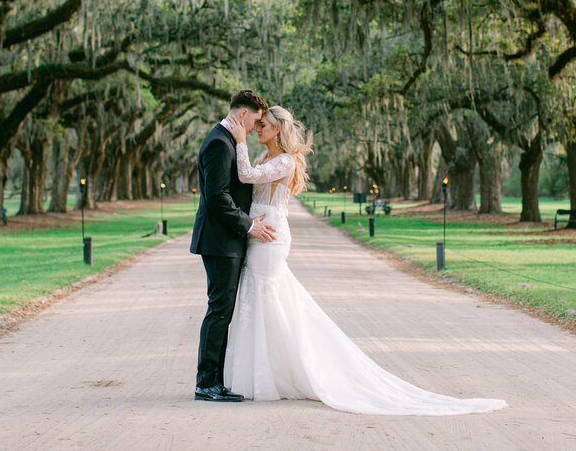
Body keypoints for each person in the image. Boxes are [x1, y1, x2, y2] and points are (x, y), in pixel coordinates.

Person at [223, 105, 506, 416]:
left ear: (277, 129)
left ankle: (277, 374)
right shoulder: (266, 157)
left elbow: (245, 175)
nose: (255, 128)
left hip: (272, 236)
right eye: (255, 125)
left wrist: (238, 141)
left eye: (262, 125)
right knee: (262, 300)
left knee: (266, 296)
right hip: (259, 232)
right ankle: (265, 374)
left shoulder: (285, 161)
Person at [189, 89, 277, 403]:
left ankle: (213, 381)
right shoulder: (218, 143)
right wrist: (250, 224)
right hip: (220, 241)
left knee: (222, 311)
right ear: (243, 114)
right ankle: (207, 383)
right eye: (255, 120)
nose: (255, 127)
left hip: (227, 241)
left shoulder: (226, 141)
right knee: (219, 311)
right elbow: (216, 198)